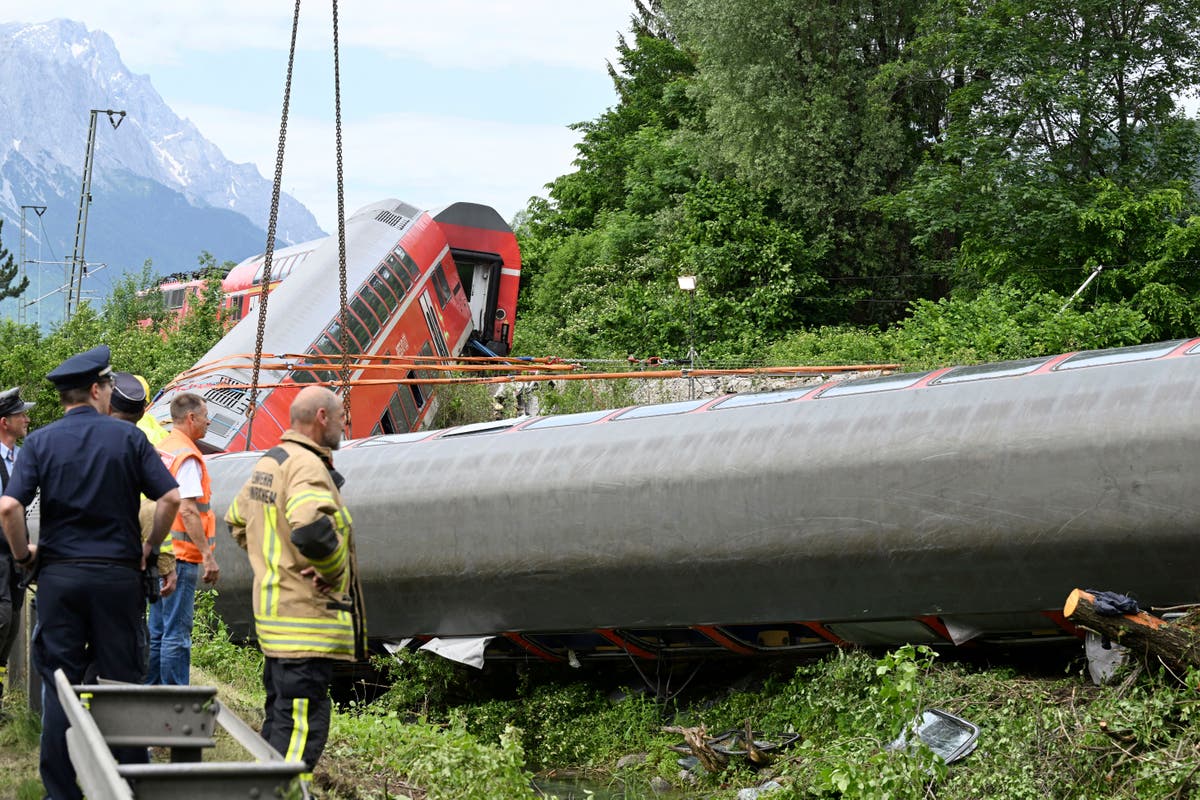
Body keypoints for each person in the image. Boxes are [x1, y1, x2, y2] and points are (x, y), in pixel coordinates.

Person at [0, 345, 180, 800]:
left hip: (59, 578)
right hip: (118, 579)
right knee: (122, 685)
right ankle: (127, 783)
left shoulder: (40, 442)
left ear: (66, 396)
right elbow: (171, 499)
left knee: (61, 683)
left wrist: (23, 556)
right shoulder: (129, 439)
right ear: (98, 390)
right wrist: (150, 547)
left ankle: (61, 791)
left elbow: (8, 507)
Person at [225, 386, 366, 788]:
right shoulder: (306, 467)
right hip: (305, 625)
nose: (344, 425)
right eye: (341, 418)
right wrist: (332, 572)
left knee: (279, 724)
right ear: (322, 417)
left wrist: (276, 561)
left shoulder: (272, 461)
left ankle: (262, 794)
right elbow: (310, 528)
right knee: (301, 732)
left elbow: (237, 519)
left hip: (277, 624)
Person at [146, 392, 217, 686]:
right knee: (177, 634)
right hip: (182, 556)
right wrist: (208, 555)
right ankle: (176, 699)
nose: (208, 422)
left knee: (157, 631)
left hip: (160, 552)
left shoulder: (163, 449)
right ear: (191, 418)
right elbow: (188, 510)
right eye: (205, 416)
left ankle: (150, 694)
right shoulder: (187, 456)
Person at [110, 372, 177, 600]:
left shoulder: (79, 435)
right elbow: (164, 500)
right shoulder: (156, 434)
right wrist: (163, 559)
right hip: (137, 535)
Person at [0, 386, 33, 718]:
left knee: (10, 626)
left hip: (15, 557)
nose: (27, 419)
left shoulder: (22, 458)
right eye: (21, 414)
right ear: (4, 422)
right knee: (2, 619)